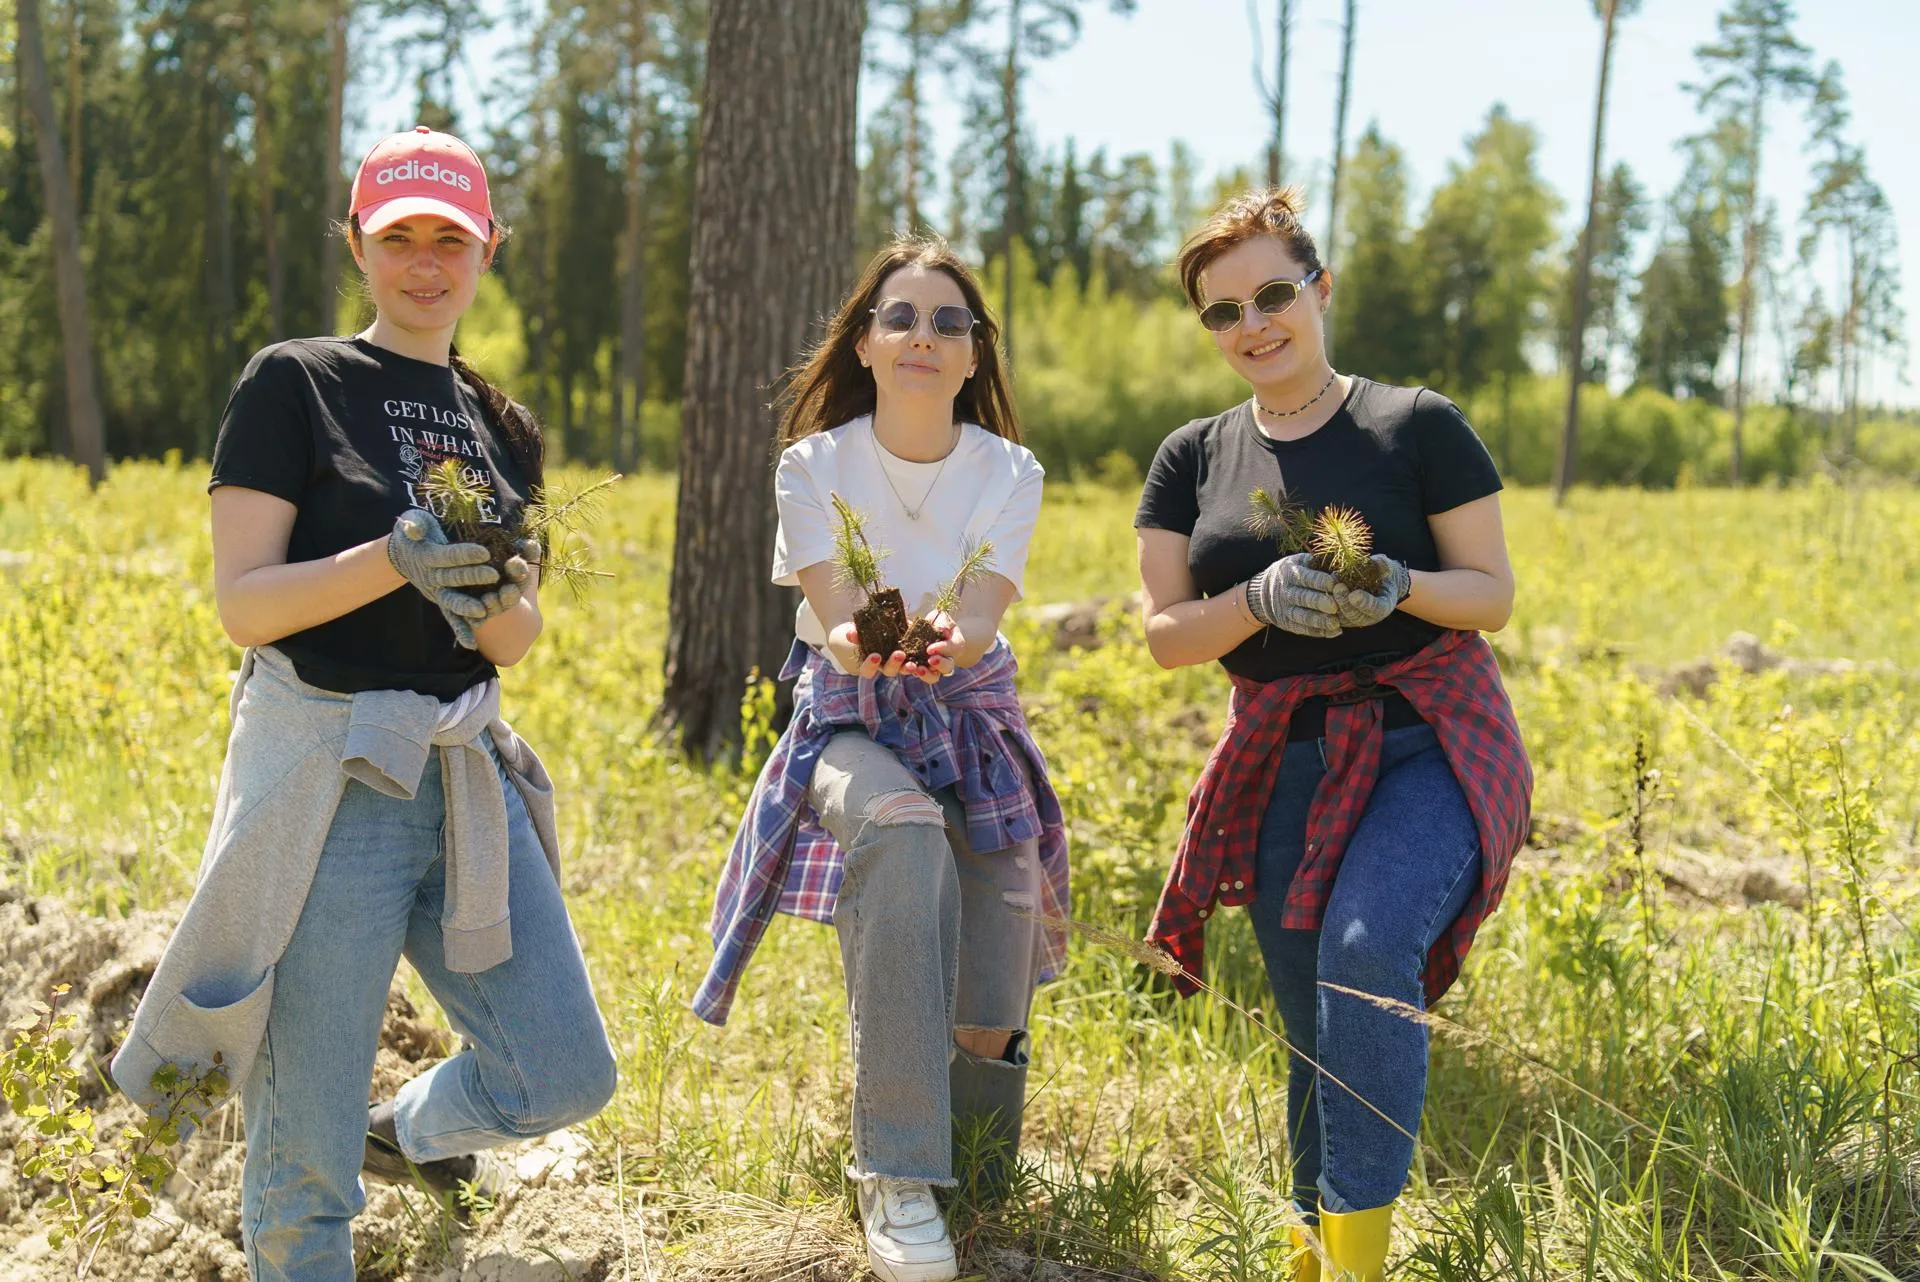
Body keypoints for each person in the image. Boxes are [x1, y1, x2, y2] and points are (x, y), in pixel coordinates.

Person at [112, 126, 616, 1282]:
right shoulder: (295, 382)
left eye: (451, 238)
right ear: (359, 244)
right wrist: (393, 556)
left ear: (487, 252)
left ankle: (414, 1132)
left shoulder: (503, 429)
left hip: (458, 772)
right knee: (304, 1164)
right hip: (333, 785)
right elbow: (245, 605)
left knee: (564, 1073)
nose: (425, 263)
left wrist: (484, 589)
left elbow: (517, 638)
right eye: (400, 238)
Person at [1132, 187, 1532, 1282]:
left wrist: (1400, 584)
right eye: (1223, 313)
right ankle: (1311, 1243)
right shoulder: (1193, 457)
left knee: (1362, 958)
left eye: (1272, 293)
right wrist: (1255, 602)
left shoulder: (1418, 423)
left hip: (1425, 737)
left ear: (1320, 287)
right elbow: (1167, 635)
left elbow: (1491, 594)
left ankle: (1360, 1260)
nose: (1253, 324)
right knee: (1309, 1010)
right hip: (1282, 754)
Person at [694, 236, 1070, 1282]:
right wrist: (879, 640)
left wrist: (951, 637)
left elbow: (983, 613)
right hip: (850, 716)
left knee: (994, 957)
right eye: (901, 317)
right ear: (864, 342)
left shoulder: (1011, 472)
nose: (923, 336)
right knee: (903, 835)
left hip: (971, 714)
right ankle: (897, 1172)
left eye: (950, 322)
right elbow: (839, 618)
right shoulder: (813, 466)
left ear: (972, 354)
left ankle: (981, 1165)